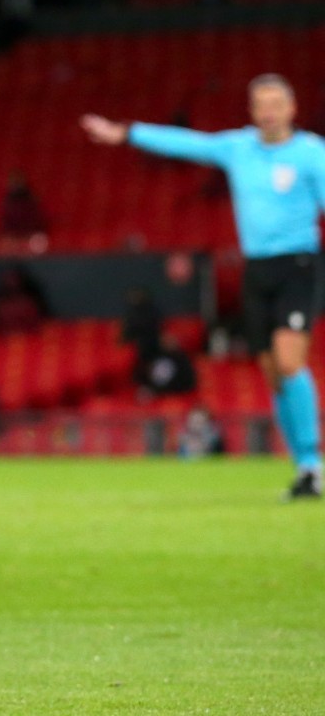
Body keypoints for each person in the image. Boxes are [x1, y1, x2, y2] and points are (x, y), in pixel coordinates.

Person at [83, 72, 325, 501]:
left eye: (276, 104)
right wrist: (126, 133)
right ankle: (302, 470)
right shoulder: (238, 148)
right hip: (257, 270)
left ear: (292, 109)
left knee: (290, 362)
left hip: (298, 265)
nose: (268, 112)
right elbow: (186, 143)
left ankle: (312, 460)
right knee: (272, 375)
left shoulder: (311, 154)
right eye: (260, 104)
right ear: (252, 112)